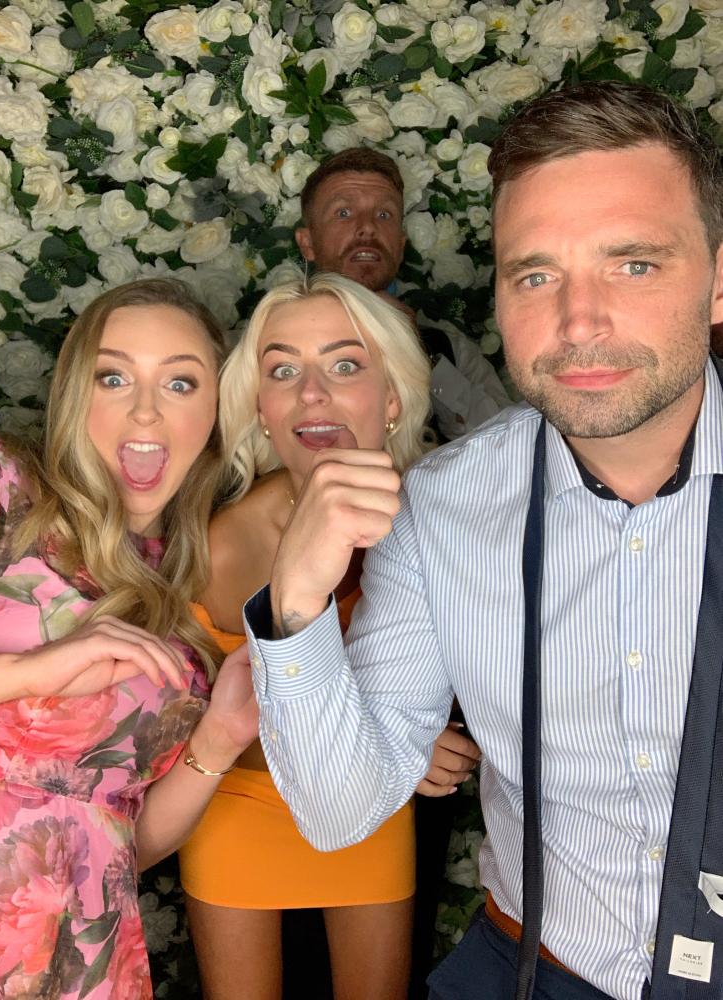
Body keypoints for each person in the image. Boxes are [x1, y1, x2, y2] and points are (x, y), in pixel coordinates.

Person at [242, 81, 723, 1000]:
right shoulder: (442, 508)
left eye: (632, 264)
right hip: (536, 967)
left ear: (719, 277)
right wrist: (296, 606)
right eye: (535, 275)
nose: (579, 322)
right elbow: (342, 811)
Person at [178, 273, 478, 1000]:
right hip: (237, 809)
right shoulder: (214, 544)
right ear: (261, 408)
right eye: (283, 371)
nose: (312, 392)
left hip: (376, 807)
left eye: (345, 365)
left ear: (394, 397)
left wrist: (411, 736)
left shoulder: (447, 523)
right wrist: (395, 740)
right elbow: (173, 726)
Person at [0, 277, 258, 999]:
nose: (145, 409)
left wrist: (219, 739)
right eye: (113, 377)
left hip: (80, 963)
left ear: (217, 415)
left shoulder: (190, 598)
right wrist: (31, 670)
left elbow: (121, 840)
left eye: (181, 383)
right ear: (76, 392)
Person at [295, 146, 512, 442]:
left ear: (399, 246)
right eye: (343, 213)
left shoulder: (449, 350)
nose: (367, 227)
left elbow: (510, 447)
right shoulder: (262, 345)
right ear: (307, 243)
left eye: (384, 214)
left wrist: (420, 357)